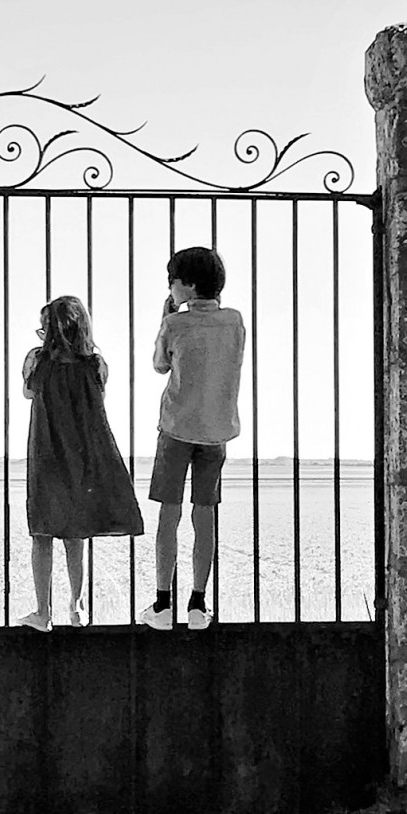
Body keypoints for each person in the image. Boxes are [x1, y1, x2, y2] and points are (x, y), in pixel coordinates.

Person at [19, 296, 143, 630]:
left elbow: (28, 392)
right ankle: (77, 606)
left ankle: (42, 612)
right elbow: (98, 397)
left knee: (42, 532)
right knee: (75, 534)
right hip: (80, 453)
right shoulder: (94, 364)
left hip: (46, 453)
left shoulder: (37, 361)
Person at [143, 244, 245, 631]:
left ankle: (162, 603)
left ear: (186, 285)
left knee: (168, 515)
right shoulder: (234, 321)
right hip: (216, 430)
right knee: (205, 515)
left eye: (172, 281)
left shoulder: (175, 323)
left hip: (176, 428)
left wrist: (166, 317)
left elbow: (159, 364)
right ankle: (198, 605)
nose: (169, 287)